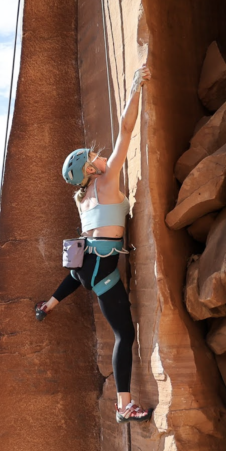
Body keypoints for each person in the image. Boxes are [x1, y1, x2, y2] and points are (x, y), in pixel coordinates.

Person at [35, 65, 152, 423]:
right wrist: (136, 87)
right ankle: (123, 406)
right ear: (90, 170)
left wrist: (52, 301)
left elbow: (80, 267)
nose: (99, 156)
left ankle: (49, 304)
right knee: (124, 335)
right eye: (92, 158)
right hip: (100, 269)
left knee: (81, 277)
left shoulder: (83, 198)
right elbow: (126, 131)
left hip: (88, 264)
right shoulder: (105, 180)